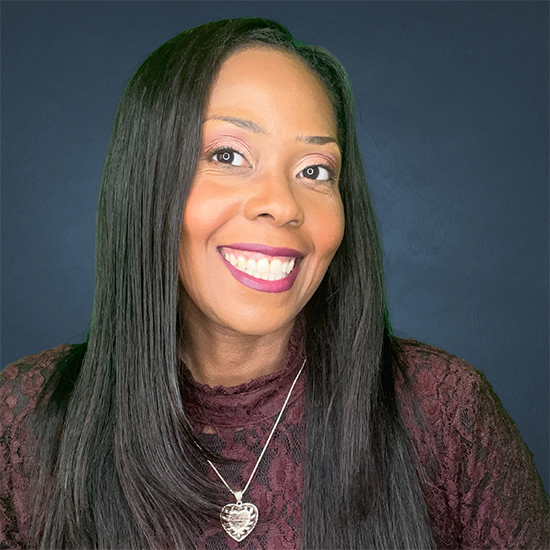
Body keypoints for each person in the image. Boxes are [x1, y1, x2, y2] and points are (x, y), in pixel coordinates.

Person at [0, 17, 548, 550]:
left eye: (314, 170)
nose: (283, 206)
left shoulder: (446, 412)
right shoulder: (22, 422)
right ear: (146, 181)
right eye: (228, 155)